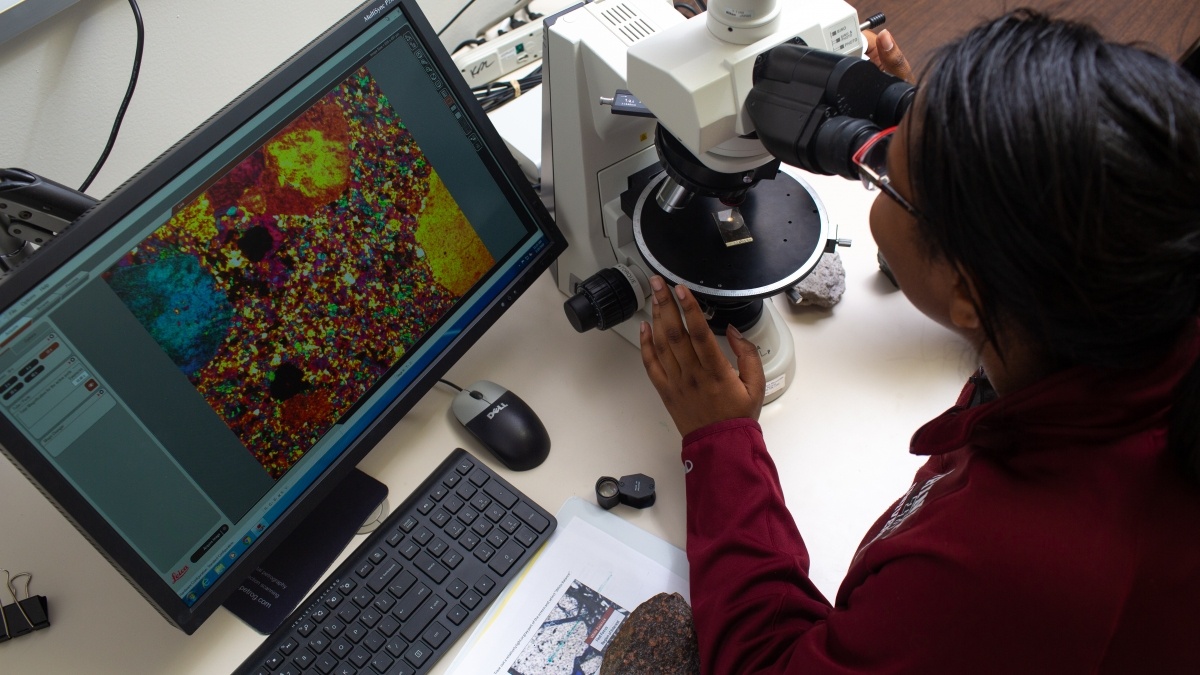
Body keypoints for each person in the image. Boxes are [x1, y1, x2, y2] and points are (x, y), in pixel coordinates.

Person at [639, 9, 1200, 673]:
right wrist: (949, 139)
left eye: (883, 174)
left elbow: (770, 664)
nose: (872, 160)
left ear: (970, 292)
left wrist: (721, 442)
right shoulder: (1141, 294)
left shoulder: (998, 564)